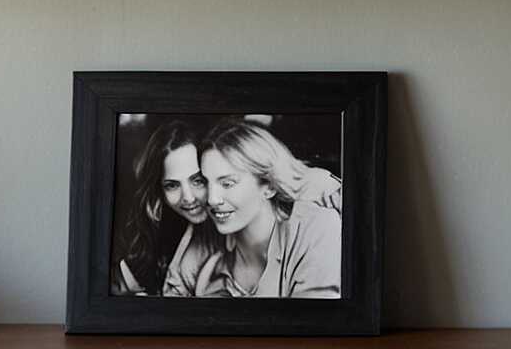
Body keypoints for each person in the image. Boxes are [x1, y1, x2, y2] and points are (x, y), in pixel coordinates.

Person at [191, 118, 343, 299]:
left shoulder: (316, 227)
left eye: (227, 183)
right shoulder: (209, 273)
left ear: (269, 186)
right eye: (205, 182)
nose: (212, 199)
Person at [112, 118, 218, 295]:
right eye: (172, 185)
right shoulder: (157, 233)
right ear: (159, 189)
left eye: (197, 181)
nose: (188, 198)